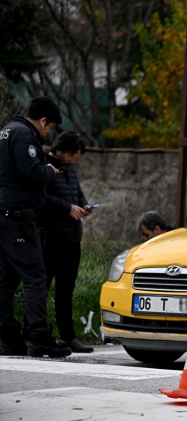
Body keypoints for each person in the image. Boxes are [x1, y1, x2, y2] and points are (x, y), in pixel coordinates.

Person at [0, 97, 71, 357]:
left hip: (3, 215)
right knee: (35, 278)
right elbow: (29, 171)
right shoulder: (24, 136)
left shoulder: (5, 131)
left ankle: (9, 339)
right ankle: (39, 339)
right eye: (49, 127)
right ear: (42, 121)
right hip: (18, 218)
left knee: (5, 282)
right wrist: (50, 171)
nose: (47, 133)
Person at [37, 130, 94, 353]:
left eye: (76, 156)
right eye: (71, 155)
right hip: (50, 235)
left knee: (66, 289)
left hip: (72, 236)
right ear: (58, 150)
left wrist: (84, 206)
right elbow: (41, 197)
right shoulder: (43, 165)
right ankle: (34, 332)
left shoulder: (71, 169)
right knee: (42, 285)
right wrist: (67, 208)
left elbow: (78, 194)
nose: (73, 160)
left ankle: (68, 336)